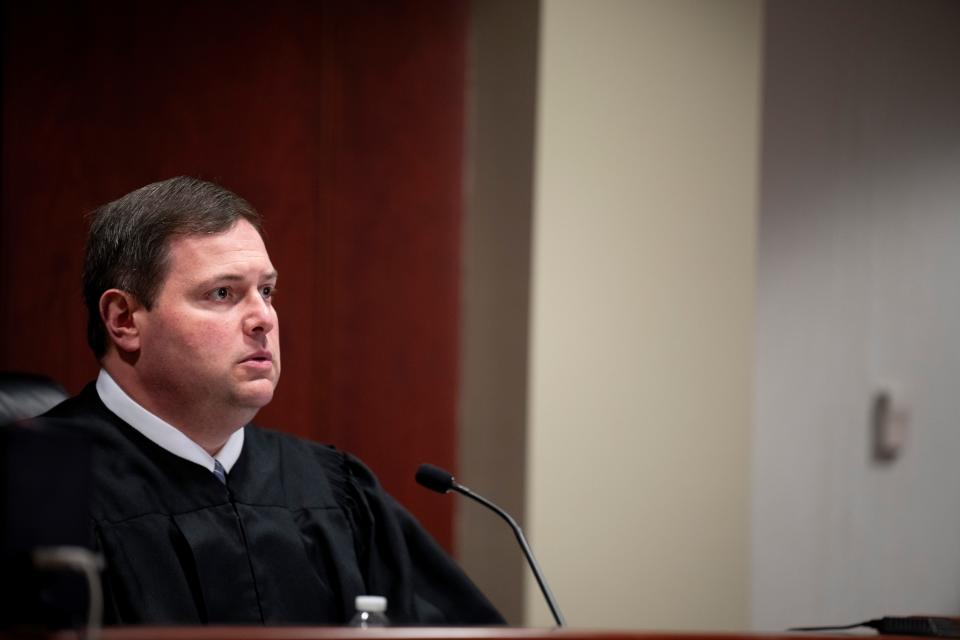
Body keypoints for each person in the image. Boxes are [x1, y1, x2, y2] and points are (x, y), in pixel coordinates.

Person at [43, 176, 503, 626]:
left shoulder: (333, 490)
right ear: (124, 320)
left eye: (266, 291)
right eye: (222, 293)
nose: (263, 317)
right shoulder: (37, 494)